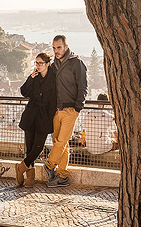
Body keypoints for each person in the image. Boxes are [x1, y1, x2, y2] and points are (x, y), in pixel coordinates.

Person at [44, 35, 87, 188]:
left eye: (59, 47)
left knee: (61, 141)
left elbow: (83, 87)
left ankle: (49, 165)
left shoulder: (77, 63)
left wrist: (77, 109)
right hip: (56, 110)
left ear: (66, 47)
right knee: (60, 143)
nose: (56, 51)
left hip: (70, 110)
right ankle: (62, 176)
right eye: (54, 48)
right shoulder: (54, 64)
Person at [15, 52, 56, 187]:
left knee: (38, 148)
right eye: (36, 63)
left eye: (40, 63)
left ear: (47, 64)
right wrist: (30, 79)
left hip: (44, 116)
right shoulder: (34, 77)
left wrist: (51, 117)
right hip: (31, 114)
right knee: (30, 146)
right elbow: (24, 92)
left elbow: (54, 100)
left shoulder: (54, 78)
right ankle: (30, 178)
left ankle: (21, 167)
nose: (38, 66)